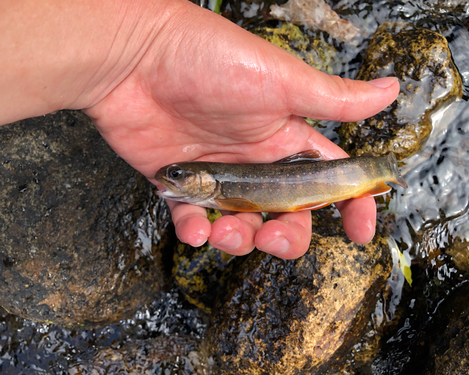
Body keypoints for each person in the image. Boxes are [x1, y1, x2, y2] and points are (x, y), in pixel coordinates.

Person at [0, 0, 399, 259]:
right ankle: (383, 171)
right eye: (175, 175)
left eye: (178, 175)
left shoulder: (220, 185)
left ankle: (385, 170)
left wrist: (144, 44)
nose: (170, 177)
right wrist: (137, 48)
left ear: (204, 180)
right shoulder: (216, 186)